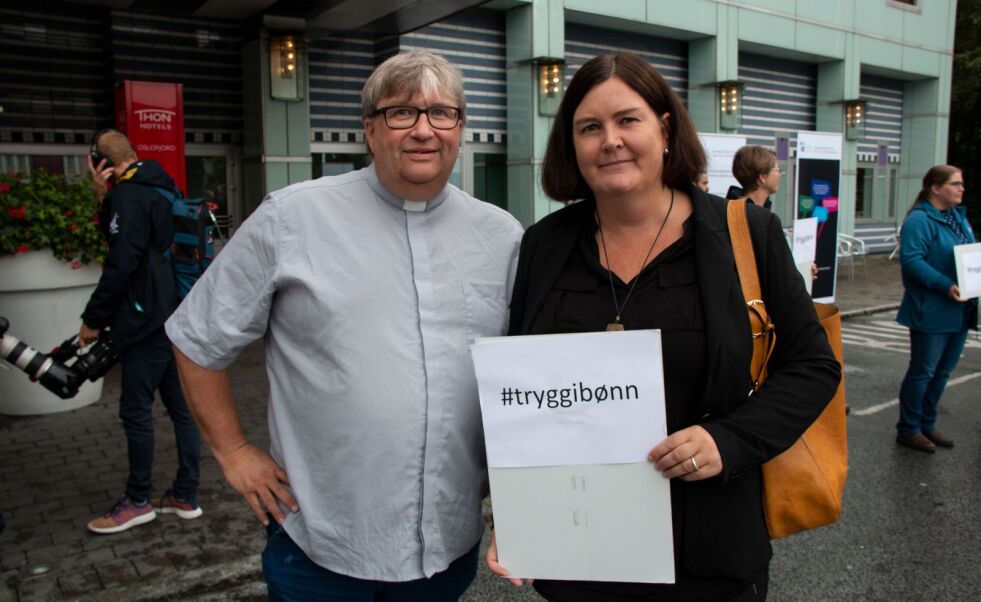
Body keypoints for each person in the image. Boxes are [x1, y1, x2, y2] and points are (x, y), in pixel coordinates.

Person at [165, 50, 523, 601]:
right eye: (401, 113)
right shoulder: (292, 218)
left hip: (448, 546)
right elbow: (197, 337)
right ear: (370, 130)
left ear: (461, 129)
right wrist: (234, 453)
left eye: (441, 113)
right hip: (321, 546)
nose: (423, 130)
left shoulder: (500, 236)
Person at [488, 52, 840, 600]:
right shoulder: (544, 245)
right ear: (571, 144)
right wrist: (518, 512)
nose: (610, 140)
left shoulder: (745, 232)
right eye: (590, 127)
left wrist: (731, 439)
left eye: (628, 119)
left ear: (665, 128)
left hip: (708, 553)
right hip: (580, 551)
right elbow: (522, 396)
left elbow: (814, 366)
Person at [80, 129, 203, 534]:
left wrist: (93, 319)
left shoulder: (129, 196)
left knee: (135, 409)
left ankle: (137, 500)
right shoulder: (166, 187)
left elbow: (122, 261)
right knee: (180, 407)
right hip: (175, 312)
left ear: (102, 164)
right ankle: (185, 494)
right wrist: (105, 200)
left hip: (145, 317)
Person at [895, 165, 976, 453]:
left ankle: (927, 423)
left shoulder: (957, 217)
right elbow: (912, 260)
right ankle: (909, 428)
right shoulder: (920, 220)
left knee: (942, 372)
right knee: (923, 371)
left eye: (961, 183)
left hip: (960, 308)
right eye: (955, 184)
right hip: (932, 308)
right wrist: (944, 284)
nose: (961, 188)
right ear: (936, 188)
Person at [727, 145, 779, 209]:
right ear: (763, 177)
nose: (779, 175)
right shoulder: (757, 216)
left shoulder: (728, 210)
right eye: (777, 170)